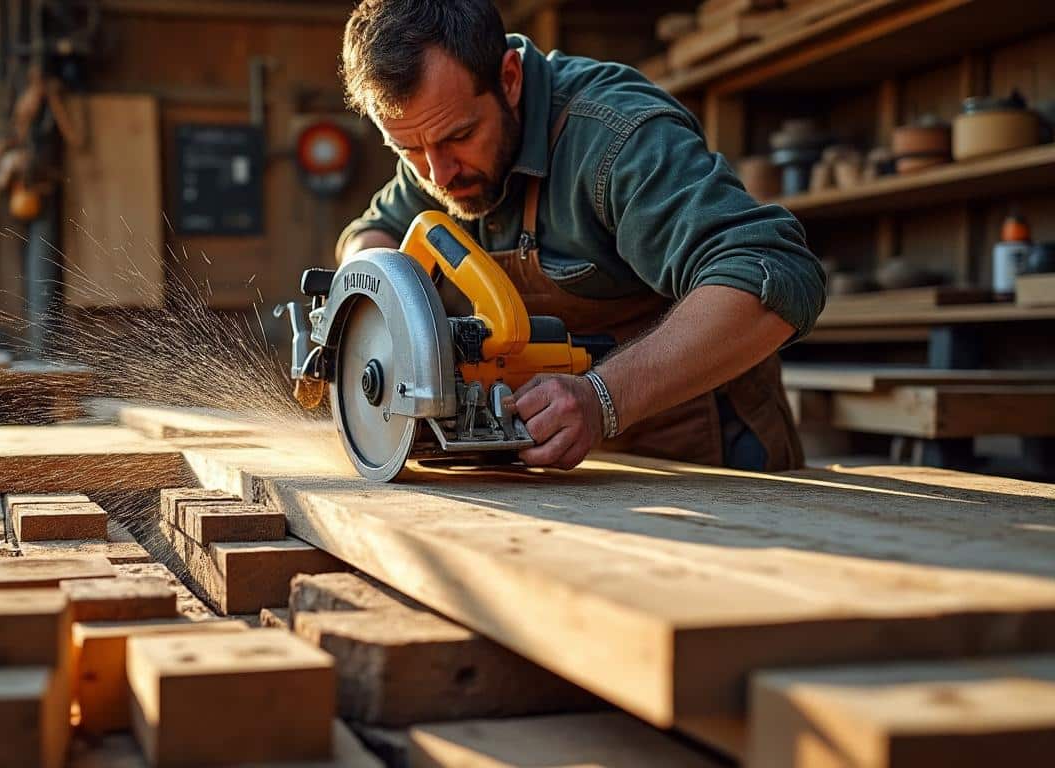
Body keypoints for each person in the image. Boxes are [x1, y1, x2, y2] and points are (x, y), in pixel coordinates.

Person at [335, 0, 826, 472]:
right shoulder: (435, 148)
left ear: (508, 79)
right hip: (566, 474)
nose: (438, 175)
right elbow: (372, 232)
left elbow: (772, 271)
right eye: (408, 150)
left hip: (710, 466)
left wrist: (602, 398)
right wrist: (383, 314)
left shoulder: (616, 139)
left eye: (459, 137)